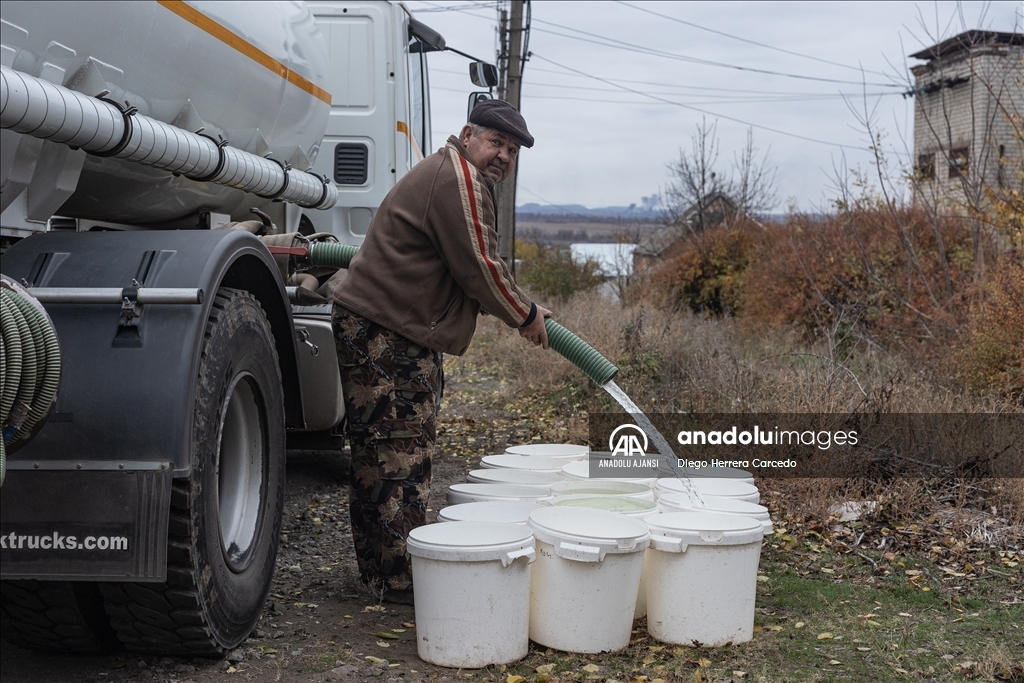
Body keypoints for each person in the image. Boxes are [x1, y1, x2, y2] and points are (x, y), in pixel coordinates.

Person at [331, 100, 551, 604]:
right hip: (388, 332)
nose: (503, 156)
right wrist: (527, 314)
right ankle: (401, 580)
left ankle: (380, 571)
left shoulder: (451, 173)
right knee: (401, 453)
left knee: (376, 449)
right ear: (468, 133)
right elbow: (481, 265)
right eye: (497, 142)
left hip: (375, 325)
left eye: (512, 150)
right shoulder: (459, 180)